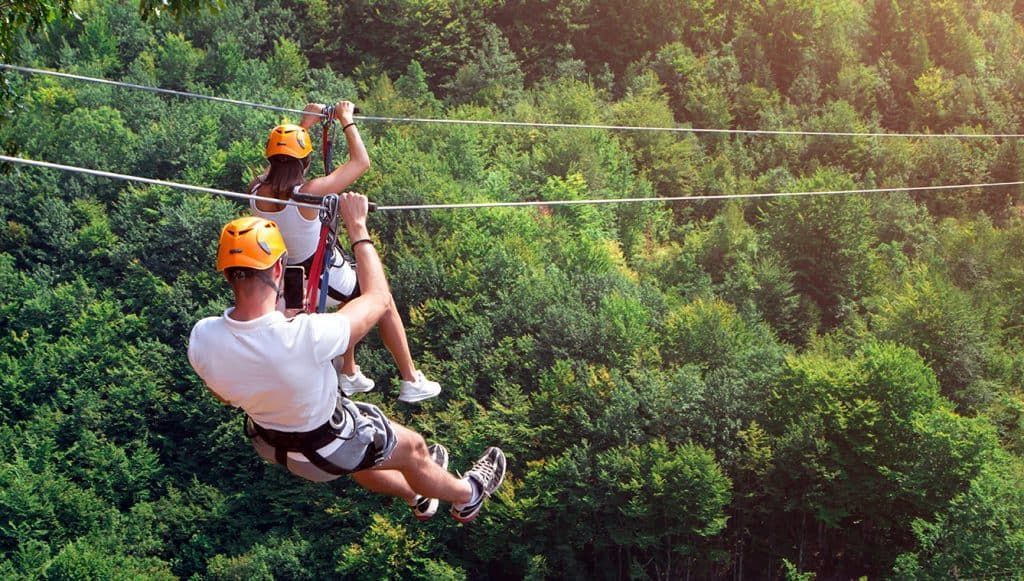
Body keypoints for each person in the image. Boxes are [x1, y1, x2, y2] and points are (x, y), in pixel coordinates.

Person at [187, 202, 506, 523]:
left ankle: (417, 495)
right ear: (278, 269)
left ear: (226, 274)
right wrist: (358, 227)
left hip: (274, 446)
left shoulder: (203, 338)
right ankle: (468, 495)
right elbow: (378, 298)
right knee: (414, 450)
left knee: (362, 457)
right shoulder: (307, 335)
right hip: (329, 446)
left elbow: (225, 394)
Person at [249, 100, 439, 403]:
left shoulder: (255, 189)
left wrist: (304, 124)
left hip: (289, 278)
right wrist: (346, 119)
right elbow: (360, 162)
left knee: (351, 300)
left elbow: (279, 164)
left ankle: (348, 372)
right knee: (381, 297)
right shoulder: (308, 193)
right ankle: (410, 379)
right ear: (305, 161)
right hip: (319, 274)